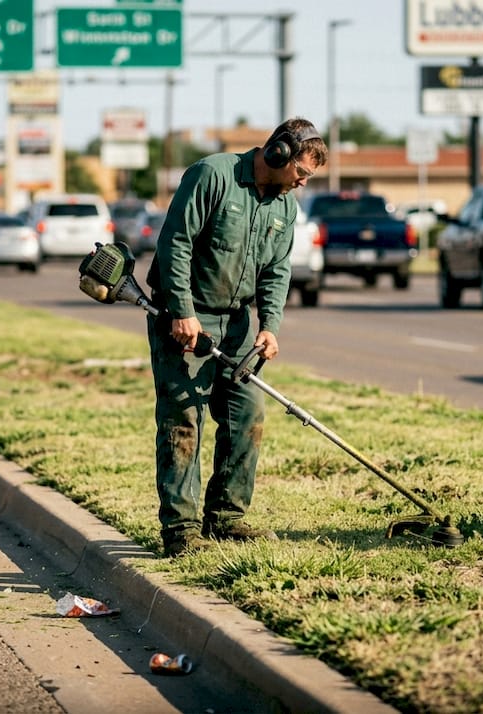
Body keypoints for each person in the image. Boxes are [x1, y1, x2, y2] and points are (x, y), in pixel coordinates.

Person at [145, 117, 328, 557]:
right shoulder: (213, 176)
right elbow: (176, 244)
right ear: (277, 153)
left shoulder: (285, 207)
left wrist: (270, 327)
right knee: (184, 419)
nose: (301, 184)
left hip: (238, 324)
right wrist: (183, 312)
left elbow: (277, 271)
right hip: (186, 315)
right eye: (300, 173)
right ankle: (181, 531)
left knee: (248, 415)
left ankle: (226, 518)